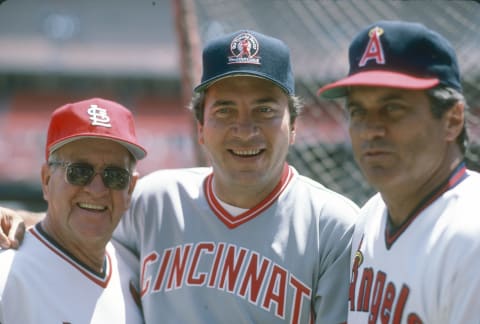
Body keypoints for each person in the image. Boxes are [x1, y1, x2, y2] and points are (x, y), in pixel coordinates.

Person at [0, 30, 359, 323]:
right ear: (201, 127)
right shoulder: (156, 199)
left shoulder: (335, 227)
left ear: (294, 126)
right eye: (225, 109)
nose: (245, 129)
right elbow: (84, 219)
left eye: (265, 110)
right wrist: (17, 220)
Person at [318, 20, 480, 323]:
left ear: (453, 120)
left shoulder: (471, 239)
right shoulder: (371, 215)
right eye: (358, 112)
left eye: (393, 108)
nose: (371, 129)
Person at [0, 98, 147, 323]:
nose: (97, 190)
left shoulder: (138, 273)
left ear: (130, 189)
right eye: (79, 171)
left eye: (115, 176)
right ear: (46, 179)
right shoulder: (7, 274)